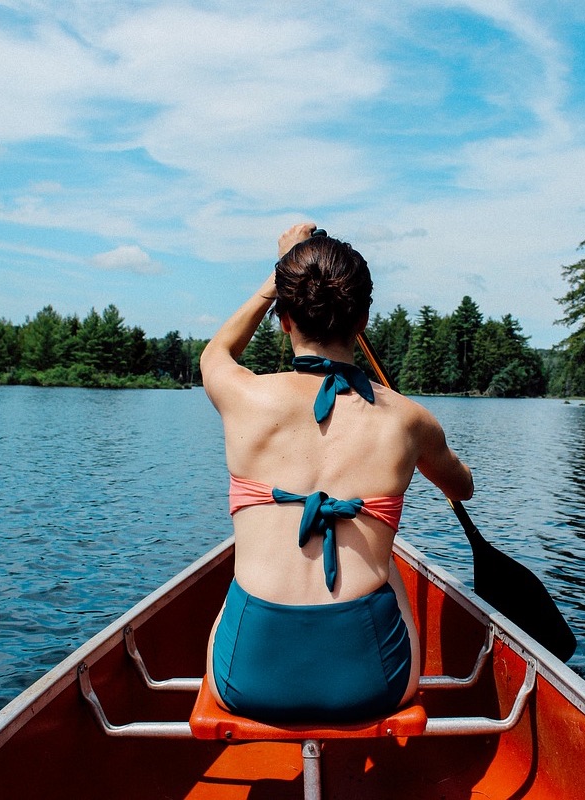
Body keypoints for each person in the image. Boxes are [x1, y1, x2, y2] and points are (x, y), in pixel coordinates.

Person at [199, 222, 474, 723]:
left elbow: (216, 354)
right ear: (363, 318)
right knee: (386, 561)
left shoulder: (244, 397)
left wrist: (277, 274)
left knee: (247, 569)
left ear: (283, 318)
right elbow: (464, 487)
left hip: (246, 682)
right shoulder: (410, 420)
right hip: (374, 685)